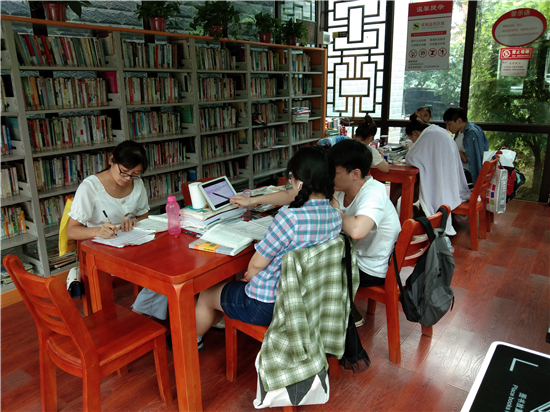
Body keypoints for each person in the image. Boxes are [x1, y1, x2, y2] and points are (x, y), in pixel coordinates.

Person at [195, 146, 342, 351]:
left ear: (299, 182)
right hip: (306, 300)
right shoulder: (335, 216)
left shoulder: (290, 217)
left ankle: (194, 341)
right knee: (235, 284)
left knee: (206, 294)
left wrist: (248, 278)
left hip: (267, 306)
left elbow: (256, 265)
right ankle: (221, 316)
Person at [67, 140, 169, 321]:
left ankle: (143, 310)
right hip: (102, 251)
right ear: (111, 160)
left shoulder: (137, 184)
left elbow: (144, 220)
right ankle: (142, 312)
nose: (128, 179)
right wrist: (98, 231)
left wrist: (133, 221)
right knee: (160, 267)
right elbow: (71, 231)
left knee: (167, 260)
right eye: (124, 172)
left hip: (132, 243)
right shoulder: (90, 188)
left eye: (134, 174)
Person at [403, 118, 471, 235]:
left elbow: (411, 157)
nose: (414, 142)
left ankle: (403, 218)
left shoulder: (428, 134)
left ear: (415, 133)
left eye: (412, 140)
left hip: (445, 185)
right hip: (451, 180)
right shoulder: (438, 131)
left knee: (411, 183)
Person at [443, 107, 489, 185]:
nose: (447, 127)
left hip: (469, 174)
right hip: (461, 169)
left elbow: (465, 159)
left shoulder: (471, 133)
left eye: (449, 124)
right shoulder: (460, 131)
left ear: (459, 121)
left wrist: (451, 147)